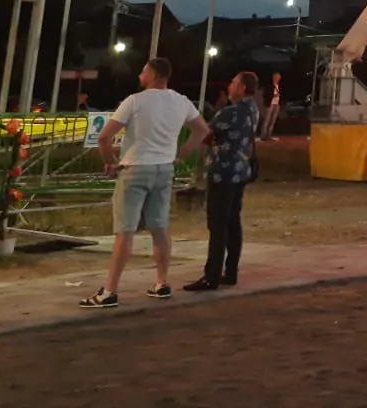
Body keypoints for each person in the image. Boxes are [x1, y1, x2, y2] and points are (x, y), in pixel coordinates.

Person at [81, 58, 209, 308]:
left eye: (143, 71)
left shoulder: (134, 101)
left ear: (153, 74)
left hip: (136, 168)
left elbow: (104, 137)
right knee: (160, 227)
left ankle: (110, 290)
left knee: (125, 231)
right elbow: (202, 130)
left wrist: (110, 163)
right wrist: (179, 155)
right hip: (164, 169)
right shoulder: (181, 101)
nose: (140, 75)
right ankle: (161, 282)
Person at [185, 71, 260, 292]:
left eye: (234, 83)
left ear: (242, 88)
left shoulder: (230, 112)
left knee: (217, 225)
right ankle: (230, 271)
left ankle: (212, 275)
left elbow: (206, 133)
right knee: (233, 222)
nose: (230, 86)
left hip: (222, 173)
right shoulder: (253, 110)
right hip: (241, 172)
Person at [258, 71, 283, 141]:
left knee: (273, 120)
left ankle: (269, 134)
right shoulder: (269, 86)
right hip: (270, 104)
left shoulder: (279, 86)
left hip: (277, 104)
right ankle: (263, 135)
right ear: (273, 77)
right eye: (277, 77)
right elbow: (265, 94)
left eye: (279, 78)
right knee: (267, 120)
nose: (278, 79)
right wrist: (273, 96)